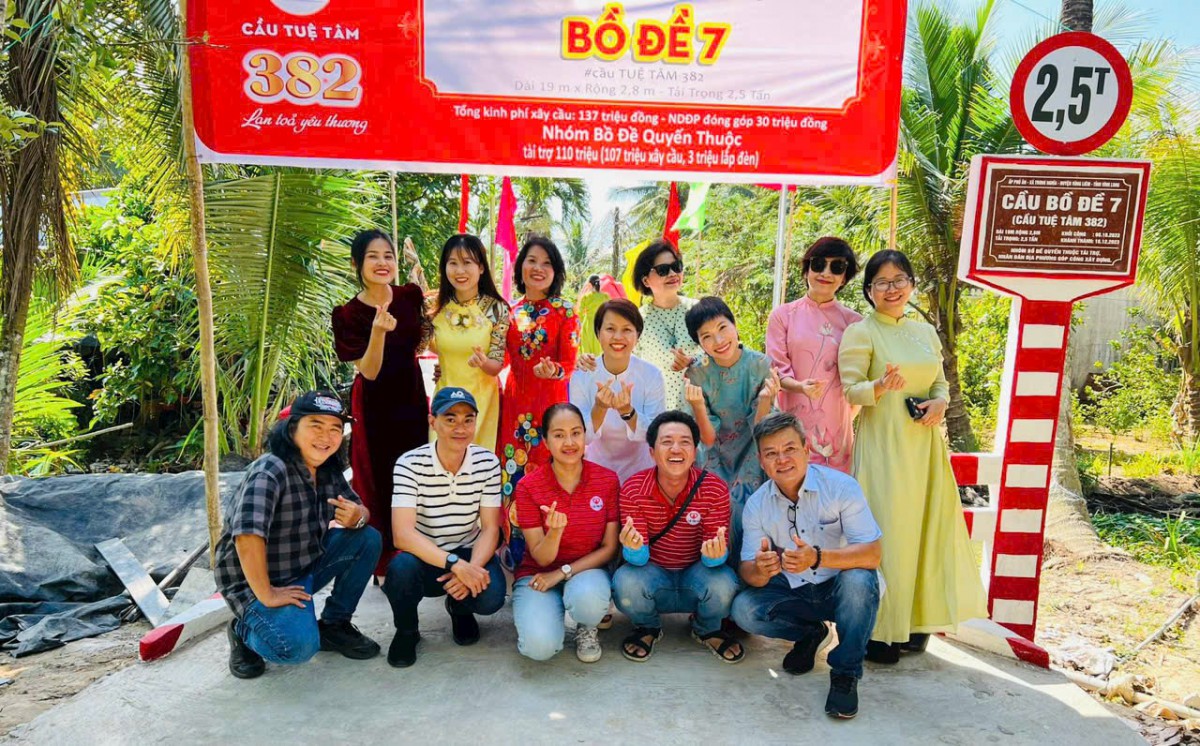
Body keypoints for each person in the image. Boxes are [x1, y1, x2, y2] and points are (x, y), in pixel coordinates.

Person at [838, 249, 988, 663]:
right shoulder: (861, 332)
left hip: (924, 449)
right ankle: (879, 629)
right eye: (882, 282)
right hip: (884, 448)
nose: (892, 289)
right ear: (869, 290)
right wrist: (881, 387)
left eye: (899, 280)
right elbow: (850, 391)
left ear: (912, 284)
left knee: (926, 532)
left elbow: (940, 384)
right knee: (890, 533)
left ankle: (917, 622)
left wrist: (939, 403)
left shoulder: (925, 332)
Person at [215, 390, 382, 679]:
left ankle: (335, 625)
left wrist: (358, 516)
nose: (326, 436)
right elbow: (247, 537)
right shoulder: (270, 469)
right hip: (256, 583)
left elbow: (361, 510)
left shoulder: (326, 469)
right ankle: (243, 630)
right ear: (292, 428)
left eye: (335, 428)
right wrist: (267, 594)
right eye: (316, 425)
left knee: (368, 538)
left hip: (302, 567)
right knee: (295, 648)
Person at [731, 412, 882, 720]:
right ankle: (810, 634)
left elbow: (872, 554)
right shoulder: (757, 504)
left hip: (839, 587)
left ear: (806, 450)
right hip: (794, 588)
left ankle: (845, 673)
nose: (782, 459)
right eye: (771, 453)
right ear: (761, 462)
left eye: (790, 449)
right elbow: (747, 571)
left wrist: (817, 557)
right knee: (744, 609)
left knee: (860, 580)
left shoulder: (841, 487)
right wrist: (761, 569)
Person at [383, 387, 506, 668]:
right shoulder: (409, 464)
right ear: (433, 422)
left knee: (492, 598)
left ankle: (460, 608)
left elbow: (490, 528)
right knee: (400, 571)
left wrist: (470, 569)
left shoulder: (487, 462)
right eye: (450, 419)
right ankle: (407, 630)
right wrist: (455, 565)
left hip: (467, 550)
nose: (460, 428)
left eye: (468, 419)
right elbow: (402, 534)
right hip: (426, 556)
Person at [332, 229, 432, 575]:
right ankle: (386, 557)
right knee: (382, 475)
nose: (382, 262)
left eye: (388, 255)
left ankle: (418, 546)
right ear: (356, 263)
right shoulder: (348, 314)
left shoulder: (409, 296)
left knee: (417, 469)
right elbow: (369, 371)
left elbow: (422, 340)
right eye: (372, 256)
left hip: (411, 393)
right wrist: (377, 331)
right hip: (375, 402)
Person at [613, 411, 744, 664]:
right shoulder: (633, 489)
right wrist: (633, 548)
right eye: (667, 441)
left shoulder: (714, 489)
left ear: (694, 452)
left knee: (724, 582)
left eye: (685, 442)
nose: (676, 448)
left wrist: (716, 555)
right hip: (653, 575)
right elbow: (638, 560)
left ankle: (706, 629)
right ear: (652, 452)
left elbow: (714, 560)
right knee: (625, 582)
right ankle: (648, 627)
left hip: (697, 576)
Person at [511, 403, 620, 662]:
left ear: (585, 435)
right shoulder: (528, 486)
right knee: (539, 648)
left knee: (587, 600)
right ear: (546, 441)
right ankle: (548, 611)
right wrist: (555, 532)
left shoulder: (607, 480)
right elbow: (542, 559)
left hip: (587, 572)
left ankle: (586, 625)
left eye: (576, 433)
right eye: (559, 435)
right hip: (538, 575)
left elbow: (609, 548)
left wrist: (562, 573)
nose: (569, 442)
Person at [497, 236, 579, 567]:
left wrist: (553, 370)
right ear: (521, 267)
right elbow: (501, 359)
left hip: (551, 411)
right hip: (514, 409)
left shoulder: (566, 311)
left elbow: (570, 364)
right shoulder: (509, 311)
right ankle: (517, 554)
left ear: (556, 271)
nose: (538, 268)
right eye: (532, 260)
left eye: (547, 263)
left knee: (551, 477)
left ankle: (553, 552)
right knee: (512, 477)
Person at [684, 296, 779, 557]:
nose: (718, 340)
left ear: (734, 325)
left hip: (753, 448)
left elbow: (761, 431)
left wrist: (765, 401)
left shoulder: (761, 364)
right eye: (706, 336)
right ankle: (716, 563)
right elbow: (707, 439)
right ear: (699, 344)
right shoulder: (696, 374)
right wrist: (698, 406)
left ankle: (752, 564)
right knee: (717, 509)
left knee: (748, 506)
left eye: (722, 328)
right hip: (714, 453)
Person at [765, 237, 863, 473]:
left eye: (836, 267)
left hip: (836, 430)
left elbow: (858, 380)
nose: (826, 273)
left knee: (834, 492)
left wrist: (844, 418)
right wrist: (800, 387)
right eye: (819, 264)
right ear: (807, 268)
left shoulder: (854, 323)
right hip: (792, 424)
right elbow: (776, 370)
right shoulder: (782, 316)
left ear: (844, 277)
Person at [568, 299, 666, 481]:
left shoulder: (652, 375)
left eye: (627, 330)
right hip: (596, 470)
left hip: (642, 472)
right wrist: (599, 409)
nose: (618, 337)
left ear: (638, 335)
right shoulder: (583, 375)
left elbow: (656, 434)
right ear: (598, 333)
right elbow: (580, 437)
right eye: (610, 329)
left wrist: (628, 412)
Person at [429, 234, 510, 450]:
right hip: (444, 403)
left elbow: (496, 366)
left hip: (481, 404)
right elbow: (423, 346)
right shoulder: (434, 308)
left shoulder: (497, 309)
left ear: (481, 267)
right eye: (453, 263)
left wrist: (483, 362)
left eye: (467, 262)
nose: (460, 271)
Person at [631, 240, 702, 411]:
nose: (672, 274)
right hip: (656, 410)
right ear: (646, 280)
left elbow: (721, 353)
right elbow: (627, 365)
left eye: (676, 267)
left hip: (699, 409)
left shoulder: (698, 310)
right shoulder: (637, 320)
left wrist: (693, 362)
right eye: (663, 270)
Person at [576, 275, 609, 357]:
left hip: (588, 325)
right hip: (601, 324)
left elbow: (579, 314)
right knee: (600, 349)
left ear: (590, 285)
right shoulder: (605, 297)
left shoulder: (586, 297)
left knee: (587, 350)